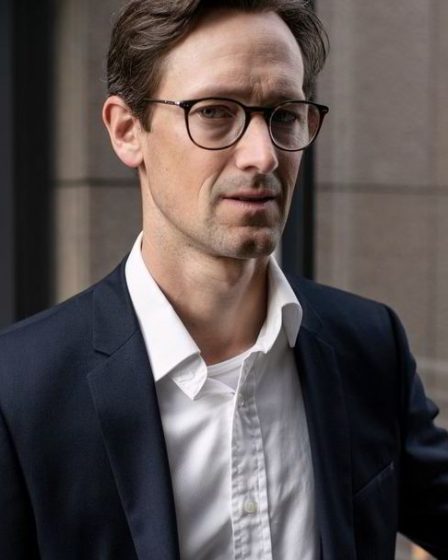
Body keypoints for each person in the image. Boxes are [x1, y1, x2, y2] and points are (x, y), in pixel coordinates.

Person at [0, 0, 447, 558]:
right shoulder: (19, 392)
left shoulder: (369, 344)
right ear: (127, 131)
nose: (263, 156)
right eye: (214, 112)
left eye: (284, 115)